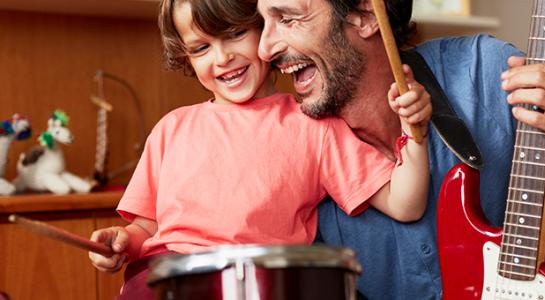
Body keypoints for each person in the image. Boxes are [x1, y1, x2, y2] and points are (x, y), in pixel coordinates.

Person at [88, 0, 432, 298]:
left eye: (236, 34)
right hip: (165, 276)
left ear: (265, 32)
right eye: (201, 48)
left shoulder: (314, 126)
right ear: (185, 58)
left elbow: (406, 204)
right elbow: (145, 230)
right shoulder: (171, 129)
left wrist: (413, 131)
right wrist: (121, 242)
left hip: (259, 282)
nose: (222, 57)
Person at [256, 0, 545, 298]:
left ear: (365, 15)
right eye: (263, 24)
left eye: (287, 19)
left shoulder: (485, 71)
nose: (265, 48)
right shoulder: (292, 160)